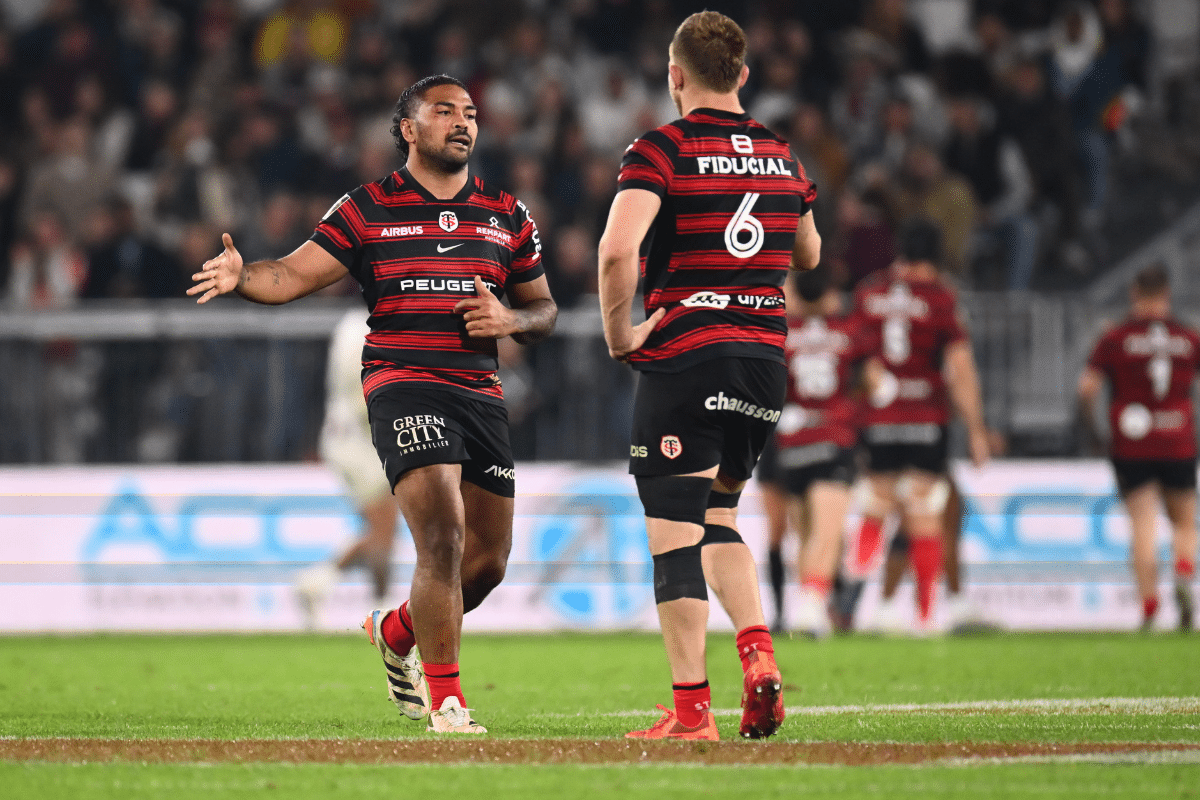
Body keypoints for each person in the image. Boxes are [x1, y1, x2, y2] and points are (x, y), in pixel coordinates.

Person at [189, 75, 557, 733]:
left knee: (487, 563)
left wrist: (512, 320)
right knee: (440, 534)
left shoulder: (507, 213)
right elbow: (295, 274)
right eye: (444, 112)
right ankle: (448, 701)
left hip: (479, 392)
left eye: (470, 113)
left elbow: (545, 309)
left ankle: (395, 630)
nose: (463, 122)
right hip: (402, 382)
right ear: (409, 130)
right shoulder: (368, 206)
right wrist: (243, 276)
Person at [598, 11, 820, 741]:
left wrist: (618, 334)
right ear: (743, 77)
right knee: (719, 515)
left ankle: (692, 711)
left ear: (675, 76)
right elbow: (810, 253)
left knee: (673, 536)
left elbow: (615, 251)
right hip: (761, 363)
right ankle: (757, 655)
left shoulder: (661, 148)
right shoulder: (782, 154)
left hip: (686, 355)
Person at [848, 219, 989, 634]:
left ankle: (848, 582)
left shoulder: (868, 292)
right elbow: (960, 367)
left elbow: (853, 356)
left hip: (878, 419)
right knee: (925, 513)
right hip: (926, 418)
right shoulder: (940, 296)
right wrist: (977, 428)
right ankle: (926, 616)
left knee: (877, 504)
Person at [1078, 264, 1197, 631]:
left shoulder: (1116, 337)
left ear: (1134, 293)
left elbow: (1087, 389)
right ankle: (1183, 566)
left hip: (1132, 444)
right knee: (1183, 520)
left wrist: (1094, 429)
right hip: (1178, 440)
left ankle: (1149, 606)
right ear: (1166, 294)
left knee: (1142, 524)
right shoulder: (1187, 336)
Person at [770, 265, 869, 638]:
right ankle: (812, 605)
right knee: (827, 532)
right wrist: (852, 406)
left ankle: (812, 605)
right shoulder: (846, 333)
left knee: (805, 533)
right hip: (833, 436)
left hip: (792, 443)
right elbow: (872, 379)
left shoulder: (783, 335)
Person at [293, 307, 401, 627]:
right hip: (361, 441)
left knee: (384, 530)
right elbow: (364, 392)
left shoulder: (352, 324)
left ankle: (377, 607)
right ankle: (318, 584)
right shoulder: (368, 328)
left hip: (348, 437)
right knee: (384, 530)